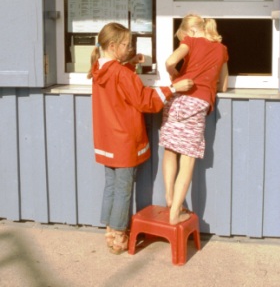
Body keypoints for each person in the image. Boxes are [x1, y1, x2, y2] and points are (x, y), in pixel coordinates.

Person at [87, 22, 193, 255]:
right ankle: (118, 235)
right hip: (124, 141)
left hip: (106, 141)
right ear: (113, 46)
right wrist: (173, 88)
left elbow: (118, 84)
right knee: (124, 189)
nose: (132, 47)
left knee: (111, 186)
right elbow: (145, 100)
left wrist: (129, 64)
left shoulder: (98, 68)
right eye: (127, 44)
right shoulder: (121, 74)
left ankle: (108, 228)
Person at [159, 14, 229, 225]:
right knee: (187, 160)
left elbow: (170, 61)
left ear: (190, 32)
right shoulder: (222, 50)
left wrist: (175, 73)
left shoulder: (190, 41)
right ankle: (174, 216)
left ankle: (170, 198)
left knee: (170, 150)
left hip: (176, 99)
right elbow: (223, 86)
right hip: (196, 104)